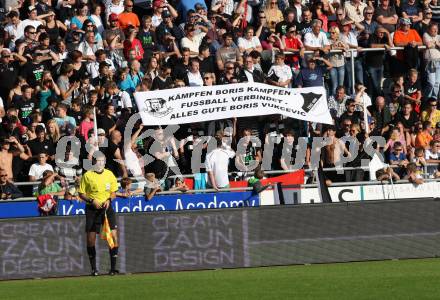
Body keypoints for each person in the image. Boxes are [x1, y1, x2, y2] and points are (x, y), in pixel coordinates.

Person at [78, 152, 119, 276]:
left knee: (113, 237)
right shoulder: (87, 175)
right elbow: (81, 193)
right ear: (94, 162)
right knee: (91, 240)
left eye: (103, 161)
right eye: (98, 161)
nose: (100, 163)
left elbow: (113, 192)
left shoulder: (109, 174)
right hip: (92, 210)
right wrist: (91, 200)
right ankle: (94, 269)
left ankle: (113, 268)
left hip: (107, 209)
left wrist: (108, 200)